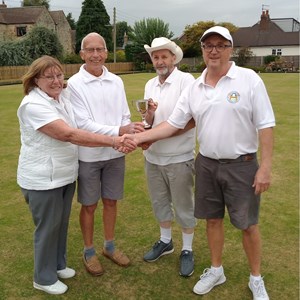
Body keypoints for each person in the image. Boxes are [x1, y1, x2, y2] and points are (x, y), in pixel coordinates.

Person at [123, 26, 275, 300]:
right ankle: (216, 270)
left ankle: (256, 278)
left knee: (248, 225)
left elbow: (265, 125)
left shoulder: (249, 79)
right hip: (206, 163)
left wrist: (265, 167)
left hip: (242, 164)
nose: (214, 50)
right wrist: (141, 137)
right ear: (203, 50)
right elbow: (172, 124)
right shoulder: (195, 87)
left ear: (230, 48)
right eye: (208, 46)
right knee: (212, 221)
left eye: (220, 45)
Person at [17, 56, 136, 295]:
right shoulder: (33, 105)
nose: (56, 80)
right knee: (47, 228)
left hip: (62, 175)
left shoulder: (61, 95)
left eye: (59, 75)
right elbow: (69, 134)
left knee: (59, 226)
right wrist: (114, 139)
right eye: (48, 76)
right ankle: (43, 277)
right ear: (35, 80)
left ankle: (58, 265)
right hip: (42, 179)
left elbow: (86, 82)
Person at [67, 32, 145, 276]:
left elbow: (124, 115)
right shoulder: (74, 84)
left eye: (100, 49)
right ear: (82, 54)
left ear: (106, 52)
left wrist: (125, 137)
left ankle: (109, 246)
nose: (96, 54)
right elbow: (83, 125)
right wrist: (119, 133)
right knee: (89, 205)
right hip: (89, 155)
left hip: (115, 154)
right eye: (90, 50)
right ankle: (89, 251)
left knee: (111, 201)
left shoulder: (116, 81)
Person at [141, 37, 197, 277]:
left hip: (179, 156)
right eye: (155, 56)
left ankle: (187, 249)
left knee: (184, 206)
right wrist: (149, 117)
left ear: (174, 58)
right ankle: (166, 242)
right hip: (153, 158)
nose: (160, 61)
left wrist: (153, 136)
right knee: (160, 202)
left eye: (164, 56)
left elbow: (192, 119)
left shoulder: (187, 81)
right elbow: (147, 121)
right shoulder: (149, 84)